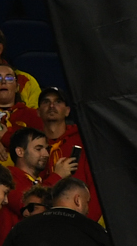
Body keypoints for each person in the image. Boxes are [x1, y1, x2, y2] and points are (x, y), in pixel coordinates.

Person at [0, 126, 66, 246]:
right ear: (20, 152)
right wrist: (57, 176)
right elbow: (30, 206)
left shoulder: (39, 182)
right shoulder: (7, 177)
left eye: (46, 149)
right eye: (39, 149)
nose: (46, 154)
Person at [35, 88, 99, 220]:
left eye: (58, 101)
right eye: (46, 102)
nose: (52, 106)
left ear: (68, 111)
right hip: (45, 220)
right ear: (38, 112)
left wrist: (86, 222)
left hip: (80, 219)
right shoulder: (32, 147)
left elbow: (96, 186)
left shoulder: (83, 140)